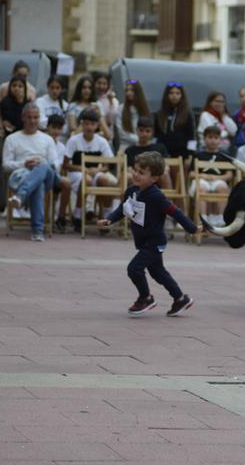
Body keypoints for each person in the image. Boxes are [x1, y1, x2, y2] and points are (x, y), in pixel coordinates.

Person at [98, 151, 197, 317]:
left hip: (155, 241)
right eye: (135, 170)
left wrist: (192, 228)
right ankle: (180, 298)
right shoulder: (131, 191)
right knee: (157, 272)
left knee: (134, 269)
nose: (136, 175)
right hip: (143, 241)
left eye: (142, 173)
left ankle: (145, 298)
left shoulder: (157, 196)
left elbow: (175, 212)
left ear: (154, 178)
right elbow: (123, 209)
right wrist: (109, 220)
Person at [3, 104, 60, 241]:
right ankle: (37, 231)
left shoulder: (47, 139)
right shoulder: (11, 139)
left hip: (46, 175)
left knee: (44, 165)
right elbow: (6, 165)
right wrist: (24, 163)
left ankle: (21, 196)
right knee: (37, 184)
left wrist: (39, 165)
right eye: (29, 117)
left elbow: (55, 163)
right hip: (21, 175)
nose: (32, 121)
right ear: (23, 118)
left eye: (36, 117)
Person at [65, 108, 117, 218]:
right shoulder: (73, 140)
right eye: (86, 124)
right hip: (76, 173)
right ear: (82, 125)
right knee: (86, 180)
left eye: (92, 124)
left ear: (97, 125)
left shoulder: (102, 141)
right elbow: (66, 165)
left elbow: (108, 165)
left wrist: (97, 170)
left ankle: (106, 215)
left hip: (94, 172)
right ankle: (78, 213)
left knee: (104, 179)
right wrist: (81, 169)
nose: (89, 127)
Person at [193, 125, 232, 227]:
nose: (213, 140)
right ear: (204, 139)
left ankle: (220, 218)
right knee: (202, 188)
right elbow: (191, 174)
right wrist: (202, 175)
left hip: (219, 180)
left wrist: (217, 178)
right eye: (210, 137)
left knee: (222, 187)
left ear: (220, 140)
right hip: (202, 180)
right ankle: (203, 219)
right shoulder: (198, 155)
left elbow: (229, 174)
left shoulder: (224, 155)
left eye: (216, 138)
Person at [123, 117, 171, 190]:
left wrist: (150, 176)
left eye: (147, 131)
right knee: (127, 176)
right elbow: (129, 168)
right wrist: (140, 175)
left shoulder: (160, 147)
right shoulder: (129, 150)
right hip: (137, 175)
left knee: (165, 174)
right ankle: (125, 200)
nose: (144, 134)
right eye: (141, 130)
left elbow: (166, 166)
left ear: (152, 132)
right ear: (136, 130)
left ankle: (168, 200)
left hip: (155, 176)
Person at [45, 113, 74, 231]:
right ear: (48, 127)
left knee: (67, 183)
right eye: (53, 127)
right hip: (43, 175)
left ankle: (60, 217)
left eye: (59, 128)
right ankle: (44, 219)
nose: (56, 131)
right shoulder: (42, 141)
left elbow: (61, 166)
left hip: (55, 176)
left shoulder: (62, 147)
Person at [154, 82, 195, 161]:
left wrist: (190, 155)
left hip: (182, 153)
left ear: (182, 96)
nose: (174, 96)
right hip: (163, 152)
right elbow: (155, 135)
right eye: (171, 93)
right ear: (167, 95)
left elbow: (191, 136)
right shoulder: (159, 113)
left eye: (177, 93)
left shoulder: (187, 114)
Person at [116, 79, 152, 151]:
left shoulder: (144, 108)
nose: (129, 93)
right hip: (126, 146)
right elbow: (121, 132)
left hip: (144, 146)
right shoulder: (121, 109)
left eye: (132, 90)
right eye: (127, 90)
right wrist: (138, 139)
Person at [35, 77, 68, 141]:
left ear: (61, 89)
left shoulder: (65, 105)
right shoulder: (40, 101)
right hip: (43, 138)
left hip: (59, 140)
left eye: (57, 88)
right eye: (52, 88)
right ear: (47, 88)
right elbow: (40, 122)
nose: (54, 91)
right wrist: (58, 126)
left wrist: (53, 127)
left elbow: (66, 127)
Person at [91, 71, 119, 143]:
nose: (101, 86)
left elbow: (112, 120)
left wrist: (111, 102)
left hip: (105, 138)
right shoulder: (90, 98)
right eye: (99, 83)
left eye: (104, 84)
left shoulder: (113, 100)